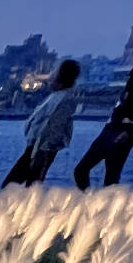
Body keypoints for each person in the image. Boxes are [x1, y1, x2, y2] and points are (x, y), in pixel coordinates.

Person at [74, 16, 133, 189]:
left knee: (111, 176)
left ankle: (106, 211)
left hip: (129, 126)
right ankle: (90, 205)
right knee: (81, 170)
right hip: (114, 122)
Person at [5, 59, 79, 187]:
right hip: (36, 147)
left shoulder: (63, 99)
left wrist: (39, 152)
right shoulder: (58, 96)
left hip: (41, 149)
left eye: (54, 73)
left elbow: (52, 128)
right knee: (21, 185)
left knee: (19, 185)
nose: (51, 76)